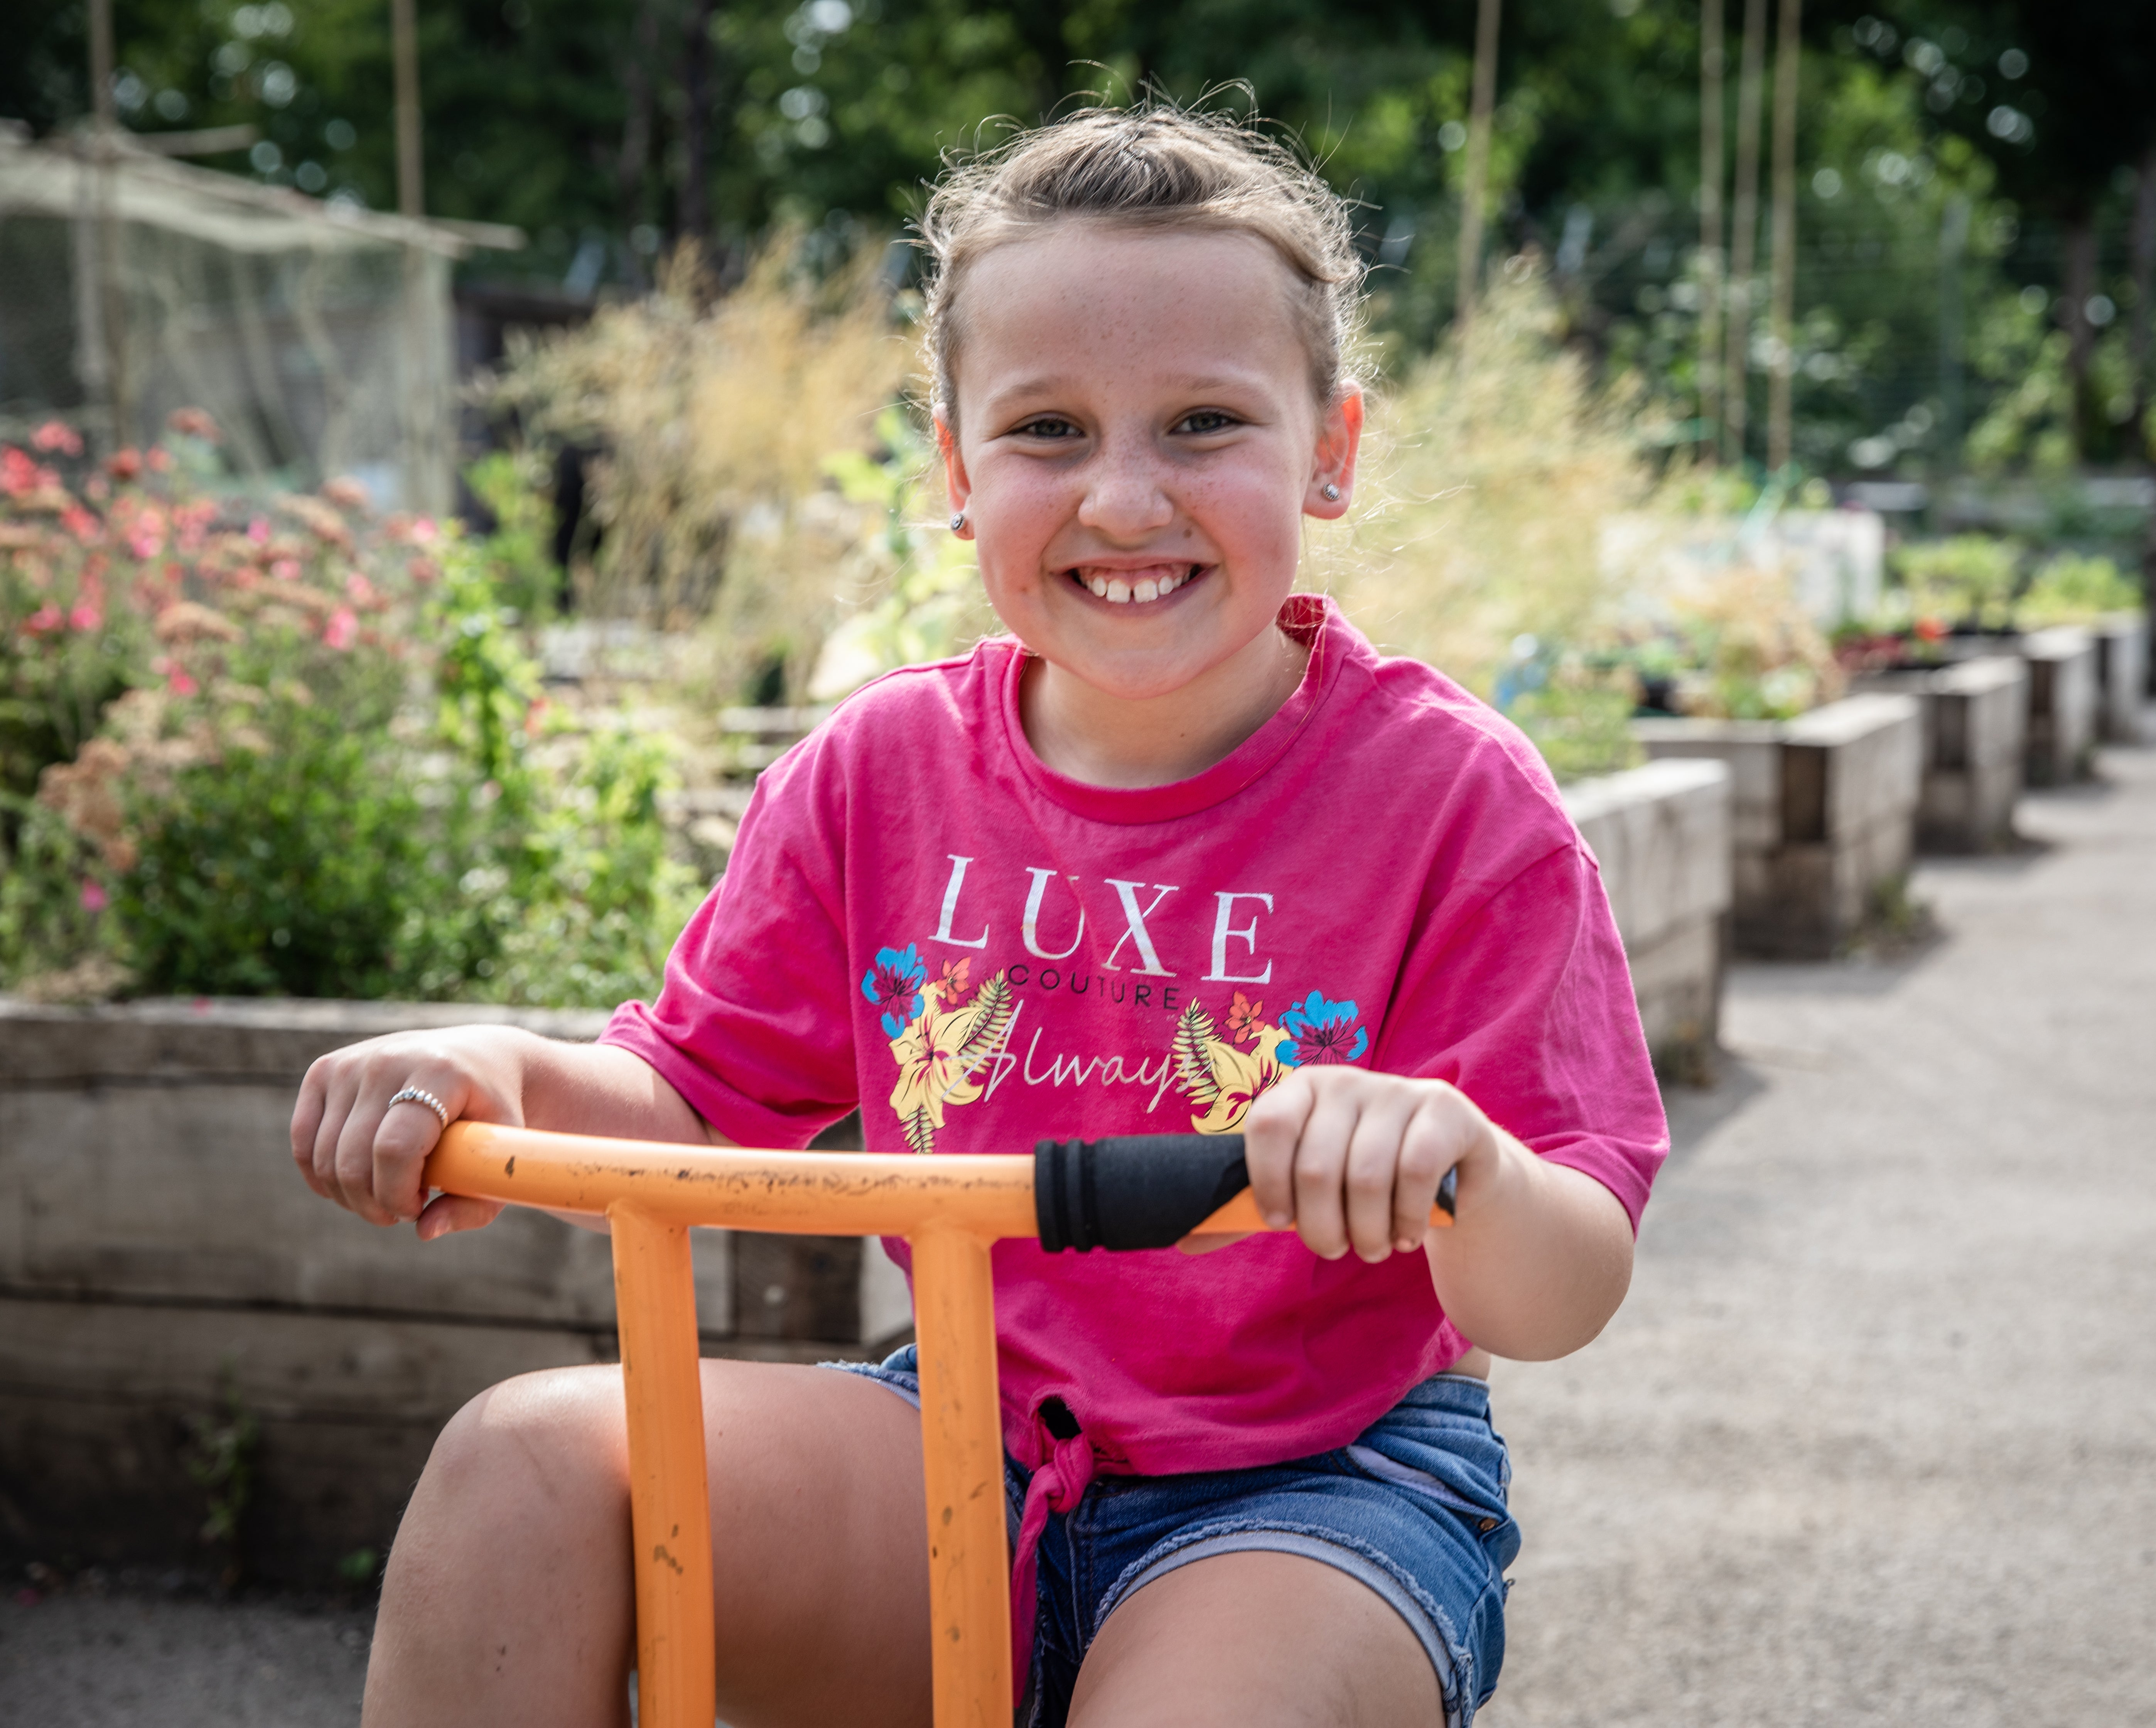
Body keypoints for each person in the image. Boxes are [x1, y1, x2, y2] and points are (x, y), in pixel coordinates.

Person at [290, 103, 1667, 1728]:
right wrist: (497, 1071)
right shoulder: (880, 771)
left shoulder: (1453, 801)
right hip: (956, 1432)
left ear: (1335, 450)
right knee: (520, 1467)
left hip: (1316, 1482)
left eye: (1207, 421)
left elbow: (1562, 1286)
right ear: (956, 469)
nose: (1128, 500)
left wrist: (1461, 1161)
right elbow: (685, 1101)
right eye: (1051, 431)